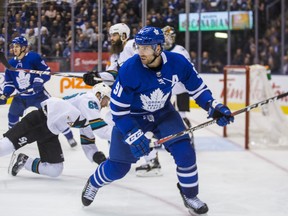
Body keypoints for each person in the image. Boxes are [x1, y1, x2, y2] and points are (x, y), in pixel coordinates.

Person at [81, 26, 234, 215]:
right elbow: (118, 110)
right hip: (132, 117)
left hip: (163, 113)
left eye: (146, 48)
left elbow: (198, 89)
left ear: (159, 48)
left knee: (185, 153)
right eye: (139, 47)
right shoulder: (130, 69)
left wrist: (214, 106)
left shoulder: (178, 62)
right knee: (118, 168)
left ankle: (190, 195)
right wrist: (132, 134)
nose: (141, 52)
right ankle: (94, 182)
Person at [83, 23, 163, 177]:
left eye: (115, 35)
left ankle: (145, 160)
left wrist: (102, 76)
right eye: (111, 35)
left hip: (137, 96)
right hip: (127, 97)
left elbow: (139, 64)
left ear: (124, 36)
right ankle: (124, 158)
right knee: (118, 126)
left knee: (118, 125)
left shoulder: (132, 45)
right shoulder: (116, 55)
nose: (111, 38)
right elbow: (112, 74)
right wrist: (96, 76)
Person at [0, 83, 112, 177]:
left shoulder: (89, 115)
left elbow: (88, 141)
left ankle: (24, 161)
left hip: (50, 132)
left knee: (55, 169)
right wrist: (122, 133)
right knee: (5, 147)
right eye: (106, 99)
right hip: (39, 120)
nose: (106, 105)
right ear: (99, 95)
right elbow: (102, 131)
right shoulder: (89, 99)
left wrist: (97, 156)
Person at [0, 36, 77, 148]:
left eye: (17, 46)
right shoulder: (11, 63)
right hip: (21, 98)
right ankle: (12, 140)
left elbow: (46, 71)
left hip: (39, 95)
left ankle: (69, 136)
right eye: (13, 46)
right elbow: (9, 83)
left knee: (54, 113)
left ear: (23, 48)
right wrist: (5, 94)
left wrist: (39, 81)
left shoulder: (33, 57)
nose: (14, 49)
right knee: (12, 115)